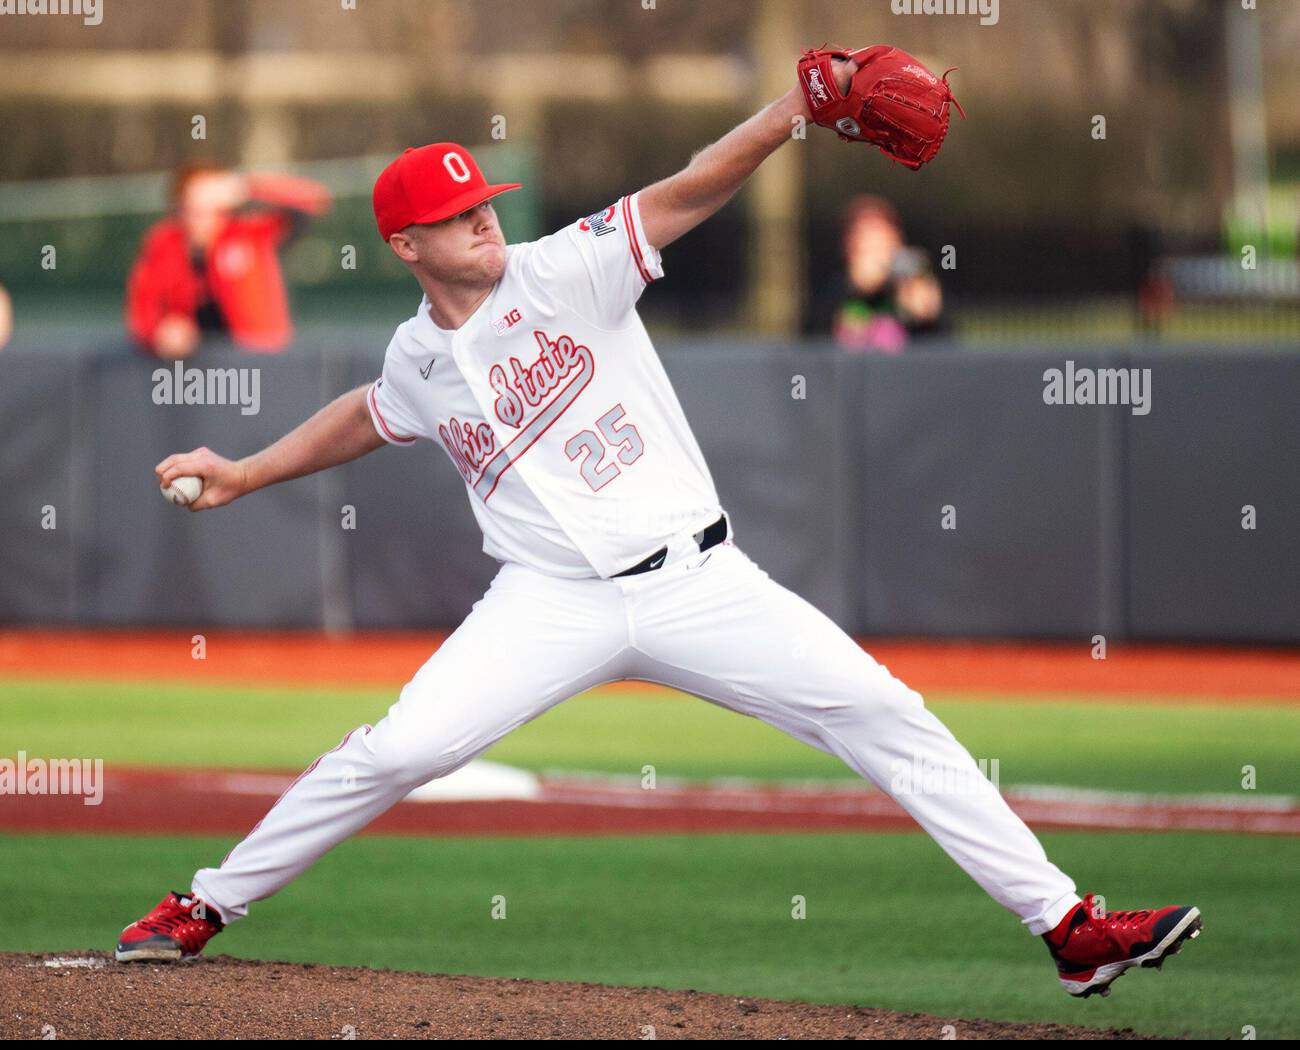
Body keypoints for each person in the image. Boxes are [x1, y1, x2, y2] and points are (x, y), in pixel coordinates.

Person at [119, 50, 1200, 1000]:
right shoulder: (416, 359)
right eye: (456, 214)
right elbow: (369, 412)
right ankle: (205, 904)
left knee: (885, 711)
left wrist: (791, 111)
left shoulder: (565, 268)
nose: (483, 215)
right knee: (397, 748)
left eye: (484, 199)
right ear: (405, 244)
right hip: (547, 600)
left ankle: (1066, 927)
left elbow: (688, 187)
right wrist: (246, 470)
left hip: (698, 581)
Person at [125, 162, 332, 357]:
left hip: (257, 359)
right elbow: (142, 307)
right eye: (193, 205)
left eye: (210, 203)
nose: (203, 214)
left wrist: (247, 186)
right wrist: (158, 332)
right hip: (195, 369)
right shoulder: (164, 243)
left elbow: (313, 199)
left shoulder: (248, 233)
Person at [828, 195, 948, 352]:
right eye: (866, 247)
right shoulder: (834, 293)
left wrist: (927, 316)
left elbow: (945, 346)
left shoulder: (911, 286)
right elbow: (811, 340)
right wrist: (854, 289)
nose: (876, 258)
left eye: (880, 246)